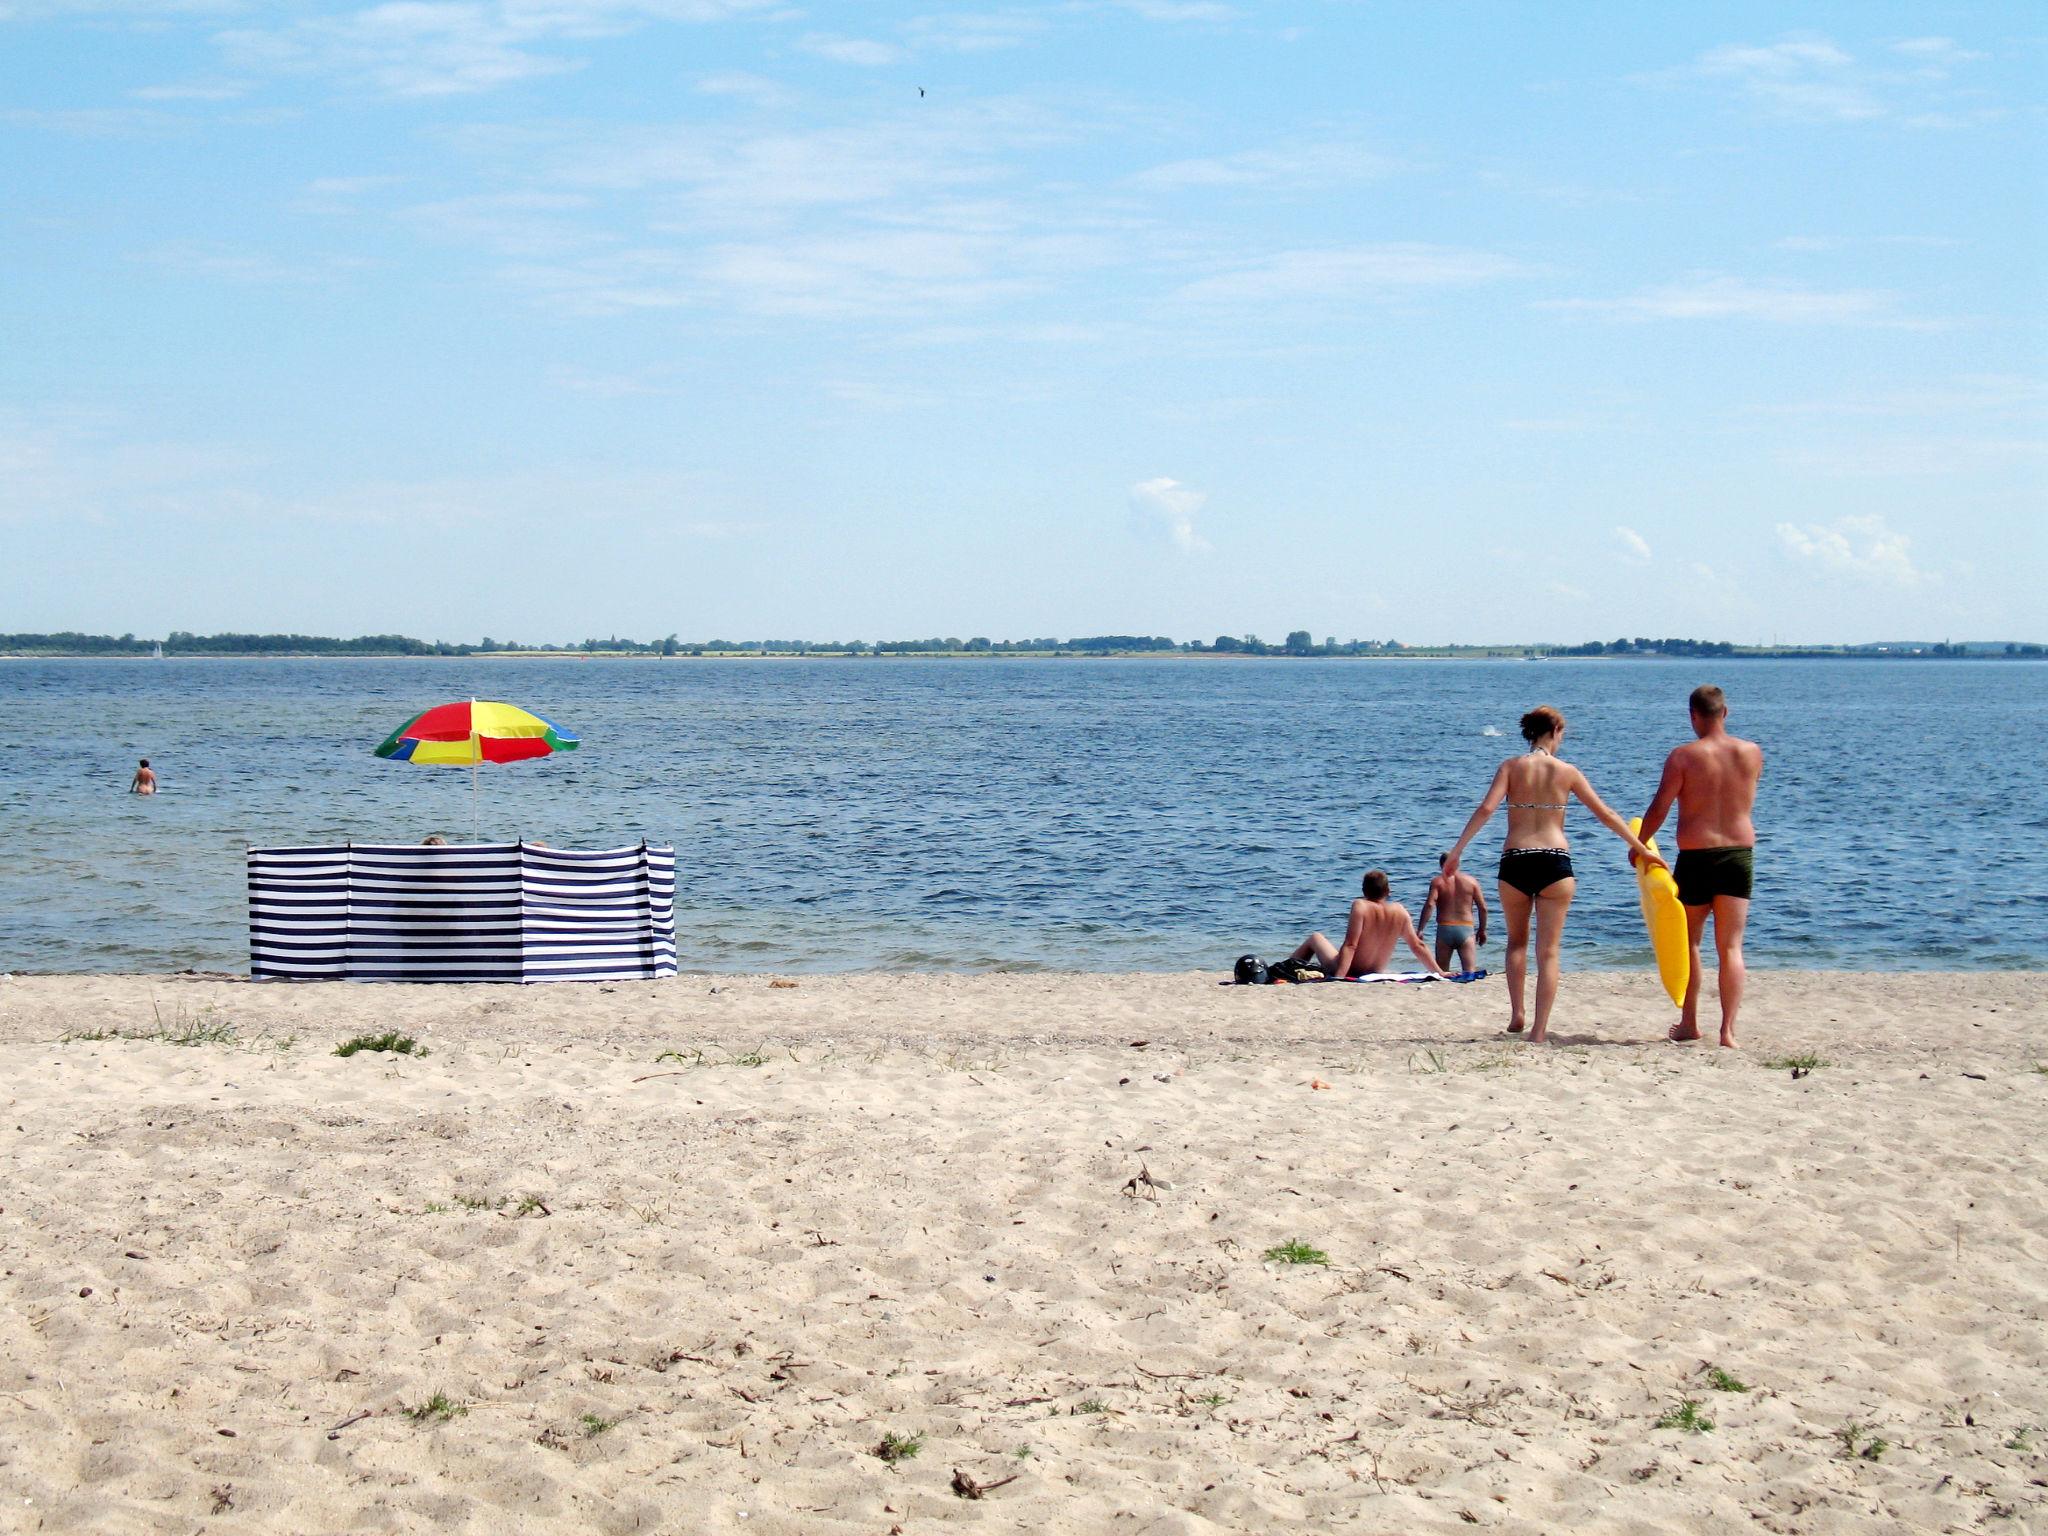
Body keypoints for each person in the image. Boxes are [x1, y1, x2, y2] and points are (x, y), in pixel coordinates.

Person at [1442, 706, 1664, 1042]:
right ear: (1556, 730)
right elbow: (1604, 813)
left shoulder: (1511, 766)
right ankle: (1539, 1030)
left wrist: (1457, 851)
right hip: (1554, 861)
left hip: (1515, 859)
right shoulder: (1567, 771)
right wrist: (1641, 847)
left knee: (1517, 942)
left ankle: (1517, 1014)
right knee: (1548, 951)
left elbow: (1487, 808)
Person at [1636, 684, 1764, 1049]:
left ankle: (1690, 1021)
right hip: (1738, 855)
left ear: (1693, 716)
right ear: (1726, 712)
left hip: (1695, 857)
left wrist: (1640, 843)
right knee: (1732, 947)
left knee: (1689, 941)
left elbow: (1660, 806)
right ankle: (1728, 1031)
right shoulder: (1752, 753)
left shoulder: (1683, 757)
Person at [1285, 869, 1446, 979]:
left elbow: (1350, 945)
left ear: (1364, 891)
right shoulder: (1400, 911)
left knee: (1315, 937)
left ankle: (1285, 970)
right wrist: (1439, 973)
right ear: (1388, 891)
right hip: (1375, 971)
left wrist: (1339, 977)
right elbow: (1418, 946)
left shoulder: (1360, 906)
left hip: (1350, 969)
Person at [1417, 852, 1487, 974]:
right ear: (1458, 864)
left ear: (1441, 865)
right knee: (1469, 973)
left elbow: (1429, 905)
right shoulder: (1472, 882)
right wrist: (1482, 930)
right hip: (1465, 928)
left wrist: (1420, 929)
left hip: (1445, 928)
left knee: (1442, 973)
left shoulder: (1437, 882)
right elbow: (1483, 908)